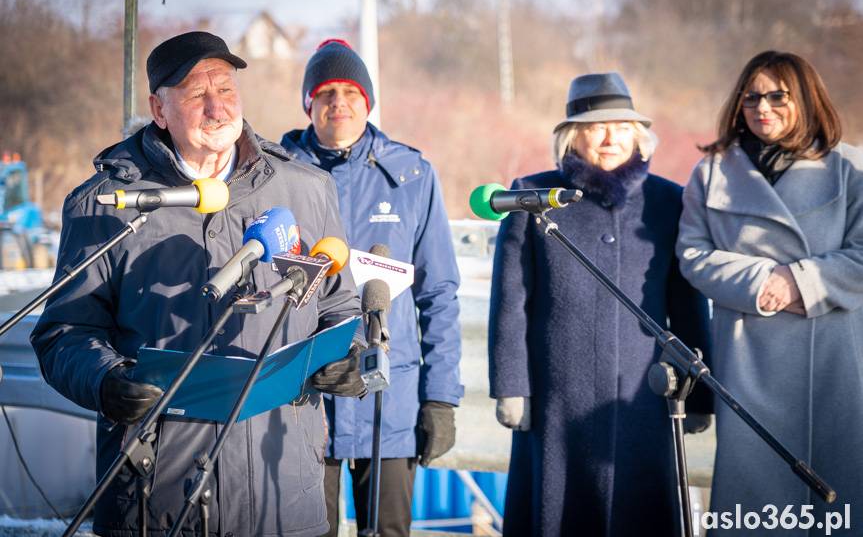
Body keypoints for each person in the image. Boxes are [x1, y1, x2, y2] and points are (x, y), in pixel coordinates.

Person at [30, 31, 365, 537]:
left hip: (282, 495)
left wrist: (349, 354)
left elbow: (340, 308)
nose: (217, 107)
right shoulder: (106, 204)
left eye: (226, 89)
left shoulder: (305, 188)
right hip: (155, 498)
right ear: (159, 110)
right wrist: (106, 380)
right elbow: (64, 333)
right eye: (196, 94)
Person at [488, 72, 711, 537]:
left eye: (621, 127)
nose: (610, 138)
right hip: (556, 401)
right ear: (572, 136)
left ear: (638, 135)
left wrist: (700, 393)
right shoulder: (531, 196)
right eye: (596, 127)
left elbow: (688, 306)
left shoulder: (669, 201)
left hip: (643, 398)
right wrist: (511, 386)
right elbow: (510, 301)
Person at [280, 39, 463, 537]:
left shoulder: (412, 175)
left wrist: (441, 400)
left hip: (391, 403)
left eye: (350, 92)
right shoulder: (275, 172)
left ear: (368, 102)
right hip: (300, 399)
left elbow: (439, 295)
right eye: (325, 92)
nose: (338, 103)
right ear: (308, 104)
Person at [677, 50, 862, 534]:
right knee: (756, 502)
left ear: (806, 98)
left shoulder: (849, 168)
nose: (763, 108)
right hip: (748, 364)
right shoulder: (712, 173)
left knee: (836, 502)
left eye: (778, 96)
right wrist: (762, 282)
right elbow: (692, 255)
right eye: (751, 97)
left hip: (833, 363)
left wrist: (800, 280)